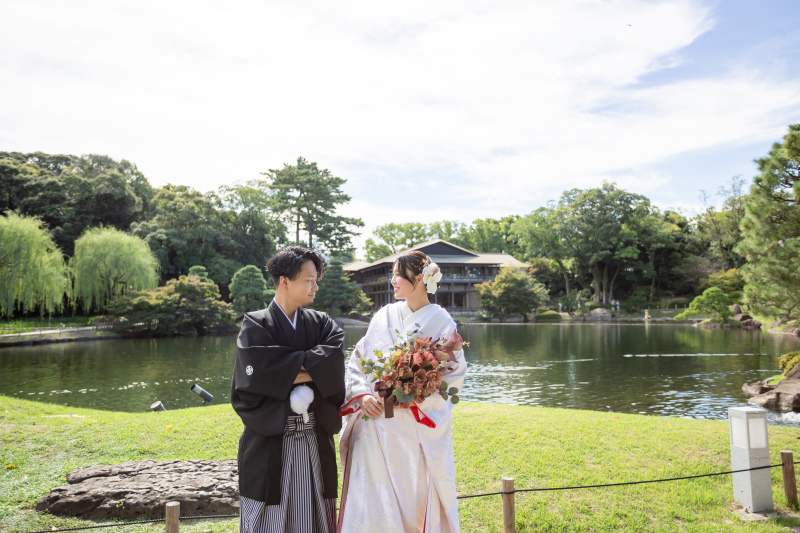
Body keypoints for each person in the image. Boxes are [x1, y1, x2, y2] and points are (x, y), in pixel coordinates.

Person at [338, 251, 467, 533]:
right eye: (393, 274)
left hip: (415, 426)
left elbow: (454, 374)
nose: (392, 280)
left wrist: (418, 393)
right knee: (375, 494)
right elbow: (359, 360)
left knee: (415, 498)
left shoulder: (442, 322)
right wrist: (363, 395)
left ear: (420, 278)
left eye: (398, 274)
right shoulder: (383, 316)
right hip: (377, 424)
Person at [231, 246, 345, 533]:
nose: (315, 286)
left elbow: (334, 366)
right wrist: (314, 368)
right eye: (309, 280)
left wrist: (282, 368)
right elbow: (256, 376)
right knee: (269, 518)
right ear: (285, 280)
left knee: (316, 512)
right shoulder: (256, 324)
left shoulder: (322, 324)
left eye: (316, 280)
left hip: (314, 436)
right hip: (271, 440)